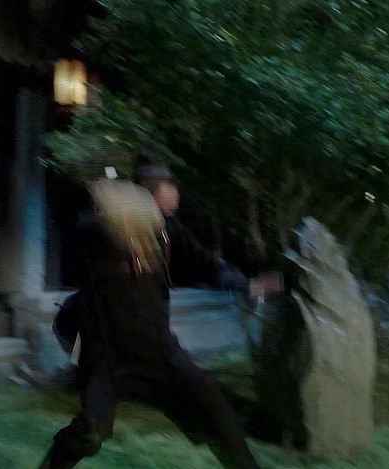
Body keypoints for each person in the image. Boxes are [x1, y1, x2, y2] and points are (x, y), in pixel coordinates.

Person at [38, 159, 264, 469]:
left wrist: (245, 284)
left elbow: (205, 264)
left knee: (213, 408)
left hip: (158, 353)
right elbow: (69, 205)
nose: (174, 196)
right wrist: (100, 192)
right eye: (167, 189)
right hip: (107, 357)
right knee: (91, 430)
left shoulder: (165, 232)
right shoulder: (95, 234)